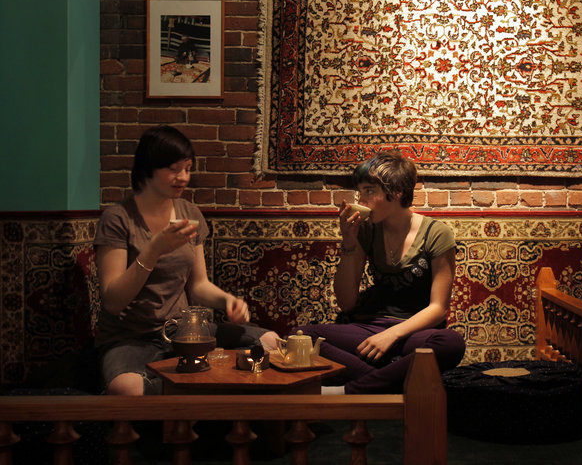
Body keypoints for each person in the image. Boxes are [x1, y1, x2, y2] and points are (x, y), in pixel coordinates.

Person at [94, 125, 279, 395]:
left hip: (185, 333)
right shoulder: (118, 218)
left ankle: (189, 388)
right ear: (149, 167)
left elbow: (198, 286)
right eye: (173, 169)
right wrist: (154, 249)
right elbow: (113, 301)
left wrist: (228, 301)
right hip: (131, 338)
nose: (183, 177)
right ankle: (197, 389)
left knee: (270, 342)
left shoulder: (188, 212)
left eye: (188, 168)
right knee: (126, 388)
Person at [296, 151, 466, 394]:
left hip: (414, 332)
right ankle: (392, 379)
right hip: (369, 326)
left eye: (369, 191)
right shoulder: (367, 230)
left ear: (396, 193)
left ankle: (352, 389)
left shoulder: (436, 233)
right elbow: (347, 303)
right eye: (360, 191)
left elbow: (439, 308)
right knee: (302, 337)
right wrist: (349, 242)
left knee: (451, 343)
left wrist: (391, 336)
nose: (360, 199)